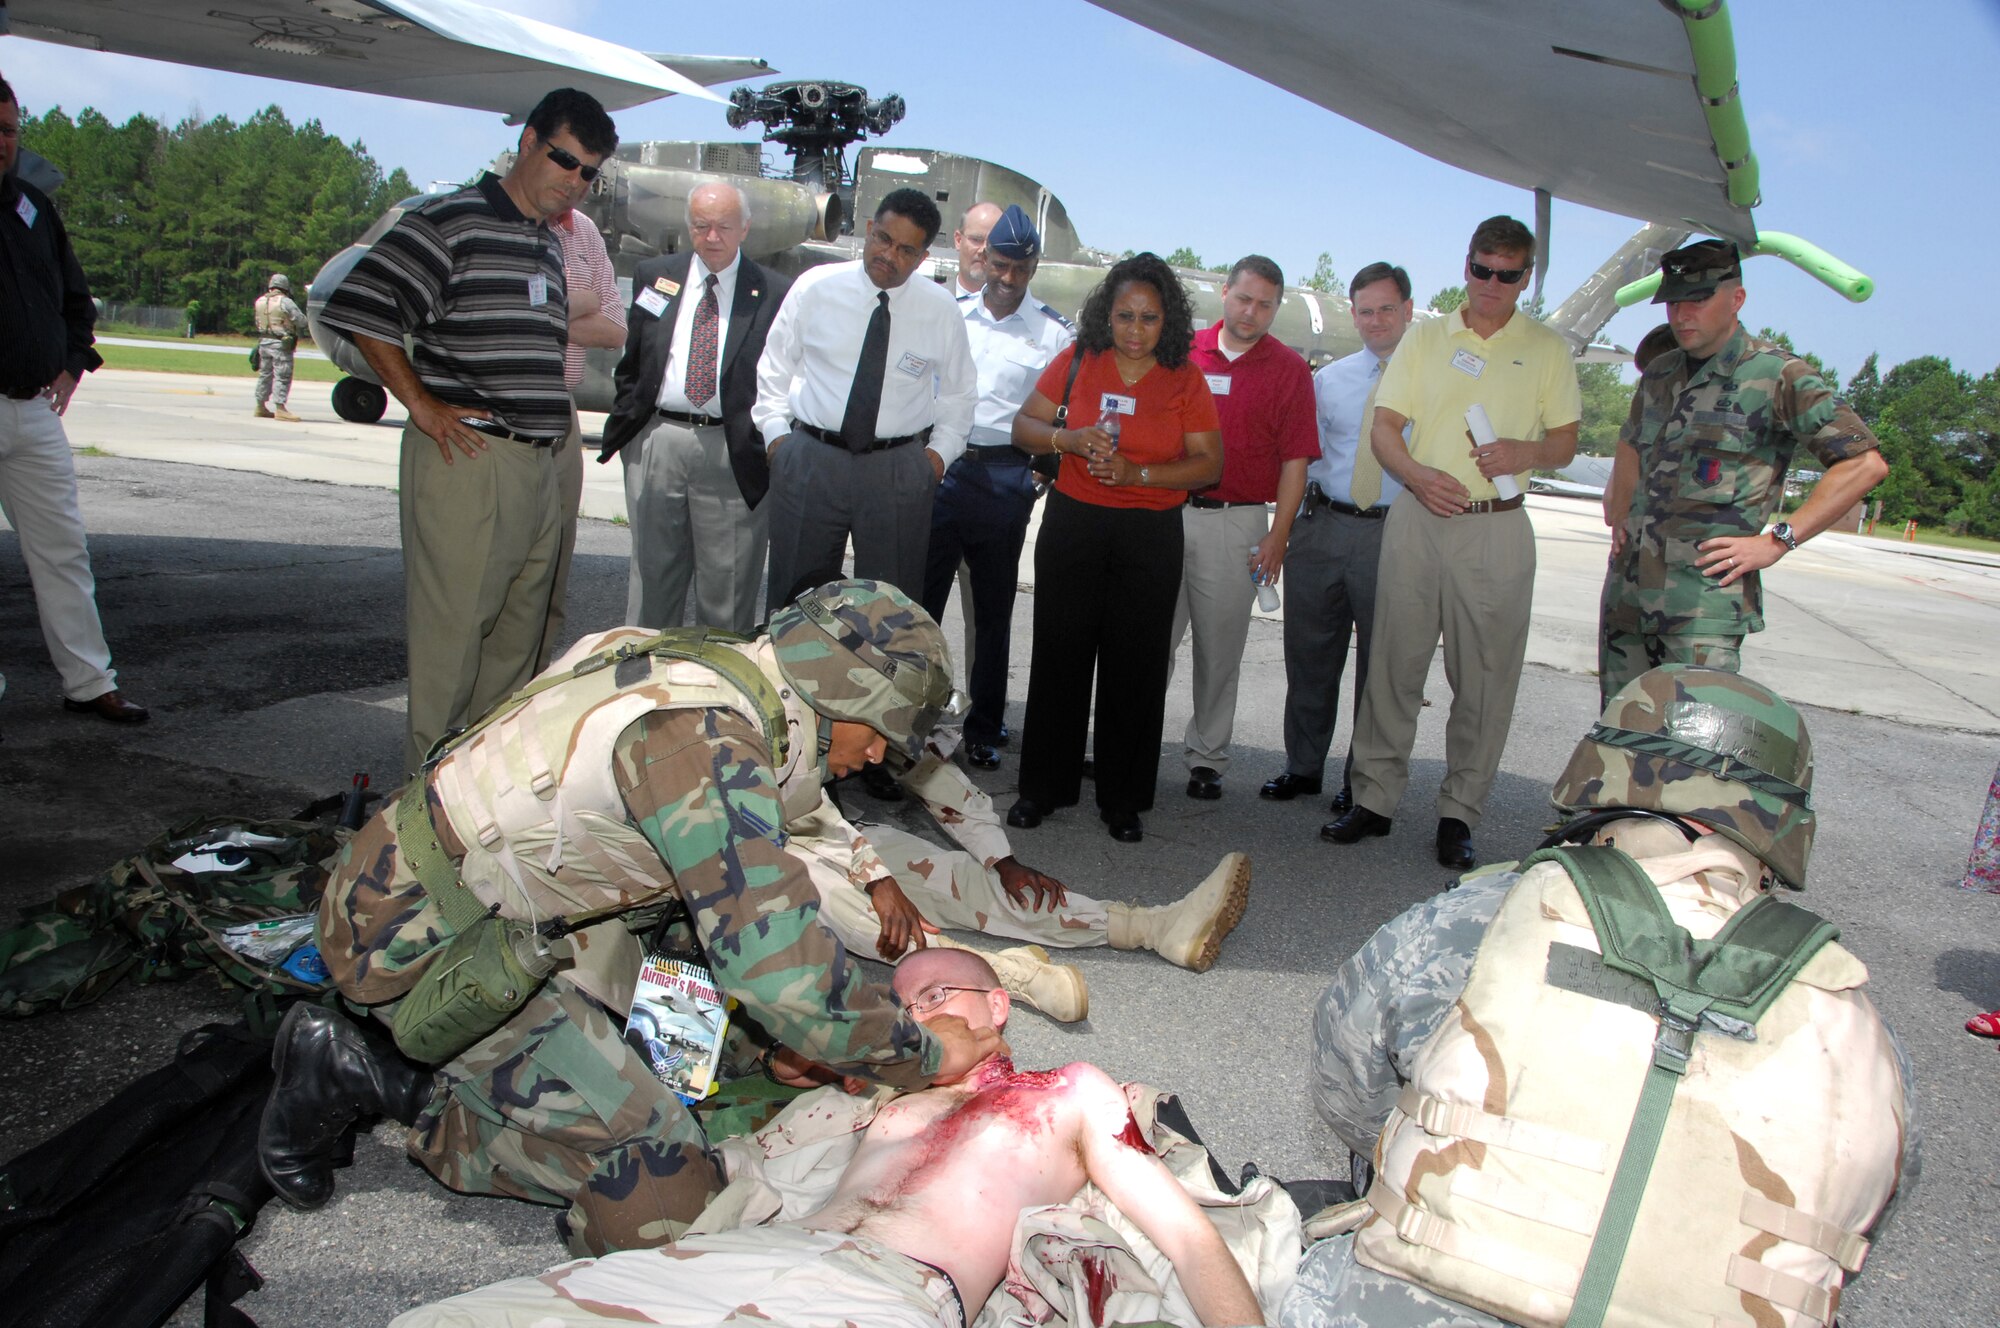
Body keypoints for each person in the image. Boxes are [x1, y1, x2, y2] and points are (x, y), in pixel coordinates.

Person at [257, 579, 1004, 1257]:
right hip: (420, 940)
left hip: (498, 902)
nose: (875, 755)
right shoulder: (704, 742)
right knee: (670, 1194)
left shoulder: (713, 674)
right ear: (836, 691)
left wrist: (757, 1053)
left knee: (696, 1065)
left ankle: (609, 1084)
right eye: (877, 730)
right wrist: (924, 1055)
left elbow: (694, 907)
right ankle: (385, 1083)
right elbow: (781, 970)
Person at [1287, 665, 1913, 1328]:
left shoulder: (1479, 921)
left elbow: (1347, 1085)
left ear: (1602, 777)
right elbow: (1852, 1221)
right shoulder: (1846, 1014)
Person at [390, 948, 1267, 1328]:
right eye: (905, 1004)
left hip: (884, 1295)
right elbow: (730, 1134)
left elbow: (1185, 1236)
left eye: (943, 997)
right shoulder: (878, 1099)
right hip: (746, 1258)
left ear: (998, 1008)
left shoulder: (1070, 1093)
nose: (920, 1013)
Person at [320, 87, 617, 773]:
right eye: (565, 161)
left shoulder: (548, 243)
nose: (574, 181)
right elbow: (362, 306)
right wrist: (421, 404)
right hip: (474, 461)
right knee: (453, 648)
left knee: (516, 652)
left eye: (587, 174)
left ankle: (481, 805)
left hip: (540, 467)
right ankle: (423, 823)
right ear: (528, 142)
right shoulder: (449, 221)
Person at [1325, 216, 1579, 869]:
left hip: (1496, 525)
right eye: (1481, 269)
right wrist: (1413, 474)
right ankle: (1374, 800)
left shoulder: (1547, 349)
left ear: (1527, 278)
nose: (1491, 284)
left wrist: (1525, 450)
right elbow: (1385, 427)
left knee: (1486, 679)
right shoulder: (1428, 338)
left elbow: (1565, 442)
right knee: (1393, 665)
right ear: (1465, 265)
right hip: (1417, 514)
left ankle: (1459, 814)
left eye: (1508, 274)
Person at [1598, 239, 1889, 704]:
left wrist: (1777, 541)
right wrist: (1621, 516)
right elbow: (1631, 443)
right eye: (1674, 302)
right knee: (1620, 735)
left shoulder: (1777, 375)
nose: (1682, 314)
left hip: (1702, 608)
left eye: (1699, 299)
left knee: (1693, 751)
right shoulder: (1660, 373)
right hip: (1628, 599)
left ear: (1736, 300)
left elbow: (1863, 464)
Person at [1006, 252, 1223, 843]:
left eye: (1148, 318)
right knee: (1059, 654)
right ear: (1108, 314)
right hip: (1074, 524)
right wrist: (1068, 438)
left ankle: (1123, 799)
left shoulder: (1184, 378)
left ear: (1167, 321)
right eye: (1124, 315)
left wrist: (1139, 476)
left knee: (1137, 666)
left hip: (1149, 534)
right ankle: (1042, 789)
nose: (1134, 330)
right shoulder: (1079, 359)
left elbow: (1209, 464)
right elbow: (1022, 427)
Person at [0, 76, 147, 725]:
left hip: (32, 410)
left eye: (8, 130)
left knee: (62, 548)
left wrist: (71, 365)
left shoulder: (32, 209)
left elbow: (74, 301)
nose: (0, 142)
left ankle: (89, 682)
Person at [753, 187, 977, 605]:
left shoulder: (940, 309)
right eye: (883, 240)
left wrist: (937, 458)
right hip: (810, 462)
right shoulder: (815, 288)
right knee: (793, 603)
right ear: (870, 229)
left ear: (924, 257)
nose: (889, 256)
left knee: (889, 612)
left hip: (897, 473)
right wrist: (776, 439)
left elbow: (960, 394)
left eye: (907, 250)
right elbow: (774, 368)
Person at [920, 204, 1073, 769]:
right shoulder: (947, 311)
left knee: (991, 612)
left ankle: (983, 727)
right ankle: (910, 720)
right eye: (1000, 266)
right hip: (942, 467)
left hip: (1004, 475)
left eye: (1020, 270)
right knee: (920, 606)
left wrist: (1038, 473)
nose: (1008, 280)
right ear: (982, 258)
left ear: (1034, 266)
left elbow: (1063, 408)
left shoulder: (1053, 333)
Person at [601, 181, 789, 634]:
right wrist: (633, 427)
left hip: (730, 451)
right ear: (688, 228)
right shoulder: (656, 275)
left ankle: (714, 697)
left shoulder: (777, 292)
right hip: (658, 443)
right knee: (651, 588)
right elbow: (634, 360)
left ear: (745, 228)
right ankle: (645, 692)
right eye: (701, 226)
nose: (712, 237)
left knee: (726, 598)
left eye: (724, 226)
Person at [1263, 263, 1413, 820]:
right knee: (1309, 657)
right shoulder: (1330, 380)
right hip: (1322, 528)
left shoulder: (1428, 378)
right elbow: (1301, 459)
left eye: (1387, 309)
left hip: (1392, 535)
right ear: (1354, 315)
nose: (1376, 321)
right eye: (1366, 311)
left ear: (1408, 310)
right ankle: (1302, 768)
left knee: (1381, 667)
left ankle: (1362, 782)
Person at [1169, 255, 1317, 800]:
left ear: (1276, 309)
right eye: (1244, 298)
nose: (1251, 312)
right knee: (1145, 640)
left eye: (1265, 305)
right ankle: (1126, 743)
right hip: (1164, 511)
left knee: (1219, 647)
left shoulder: (1289, 370)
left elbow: (1296, 462)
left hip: (1238, 523)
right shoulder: (1180, 350)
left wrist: (1278, 536)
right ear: (1224, 292)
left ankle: (1206, 757)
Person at [539, 192, 625, 665]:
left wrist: (544, 309)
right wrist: (579, 302)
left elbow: (614, 326)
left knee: (552, 564)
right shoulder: (505, 223)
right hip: (501, 408)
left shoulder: (584, 231)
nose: (578, 180)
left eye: (589, 171)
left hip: (561, 408)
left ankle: (528, 685)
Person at [250, 273, 306, 422]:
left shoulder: (259, 301)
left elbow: (258, 322)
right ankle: (280, 408)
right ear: (285, 287)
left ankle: (260, 406)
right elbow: (301, 321)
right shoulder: (285, 302)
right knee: (282, 375)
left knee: (265, 374)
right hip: (281, 343)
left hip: (264, 342)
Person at [949, 200, 1002, 302]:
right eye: (976, 240)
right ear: (958, 240)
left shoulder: (1022, 312)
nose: (984, 250)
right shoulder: (930, 302)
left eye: (993, 243)